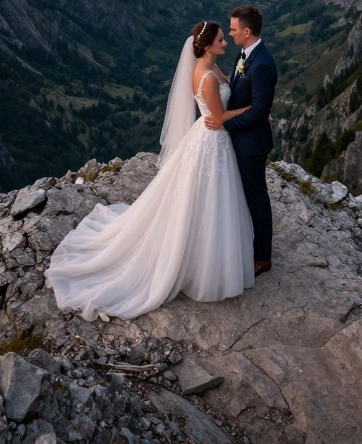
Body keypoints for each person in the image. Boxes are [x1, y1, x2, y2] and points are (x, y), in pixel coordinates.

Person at [45, 21, 255, 320]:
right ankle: (203, 264)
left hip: (211, 141)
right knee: (207, 199)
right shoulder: (207, 77)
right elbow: (218, 117)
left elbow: (226, 93)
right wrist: (253, 110)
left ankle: (209, 257)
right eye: (221, 39)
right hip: (211, 139)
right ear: (207, 45)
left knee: (210, 201)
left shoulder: (213, 68)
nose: (225, 42)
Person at [204, 5, 277, 276]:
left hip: (251, 144)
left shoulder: (263, 65)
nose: (230, 34)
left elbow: (260, 110)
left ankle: (263, 257)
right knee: (243, 195)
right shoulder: (246, 54)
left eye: (233, 30)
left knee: (256, 197)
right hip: (239, 138)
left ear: (246, 31)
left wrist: (226, 124)